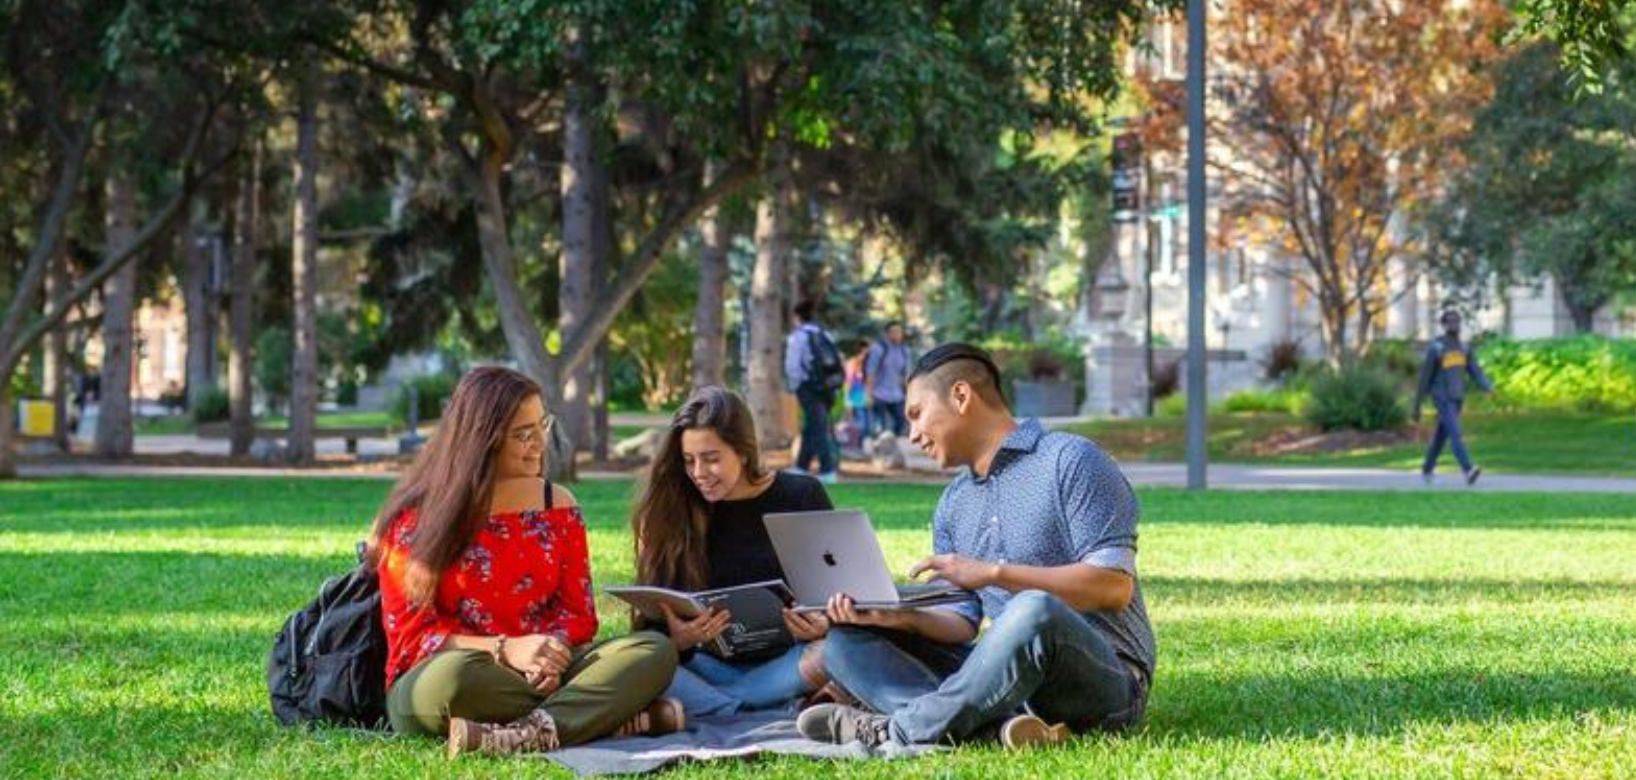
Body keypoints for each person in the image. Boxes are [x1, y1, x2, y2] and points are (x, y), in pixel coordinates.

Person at [796, 343, 1156, 750]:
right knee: (847, 640)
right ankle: (997, 731)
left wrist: (993, 573)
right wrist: (890, 617)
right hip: (1008, 680)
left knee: (1033, 609)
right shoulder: (953, 503)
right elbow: (962, 622)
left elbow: (1112, 588)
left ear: (961, 396)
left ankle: (898, 730)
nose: (913, 435)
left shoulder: (1072, 460)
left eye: (917, 414)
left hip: (1105, 679)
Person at [369, 366, 681, 758]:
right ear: (481, 441)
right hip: (450, 676)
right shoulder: (416, 517)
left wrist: (551, 656)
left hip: (548, 672)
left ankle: (519, 735)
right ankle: (601, 717)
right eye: (522, 434)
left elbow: (578, 615)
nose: (539, 443)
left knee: (654, 651)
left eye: (542, 426)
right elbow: (415, 638)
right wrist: (506, 650)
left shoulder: (559, 506)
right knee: (453, 681)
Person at [630, 385, 836, 716]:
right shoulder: (674, 510)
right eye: (688, 461)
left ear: (742, 451)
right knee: (631, 659)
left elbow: (838, 592)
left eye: (711, 459)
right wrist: (678, 640)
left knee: (838, 652)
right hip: (704, 667)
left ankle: (722, 707)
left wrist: (822, 623)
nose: (699, 474)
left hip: (788, 664)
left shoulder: (801, 496)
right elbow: (649, 629)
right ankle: (765, 708)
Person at [1412, 309, 1494, 486]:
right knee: (1456, 433)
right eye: (1450, 322)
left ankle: (1427, 468)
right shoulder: (1437, 347)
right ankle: (1468, 470)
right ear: (1443, 325)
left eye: (1456, 321)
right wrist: (1417, 405)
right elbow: (1425, 378)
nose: (1454, 325)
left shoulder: (1464, 348)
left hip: (1457, 397)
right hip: (1441, 397)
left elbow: (1475, 371)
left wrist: (1487, 386)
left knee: (1442, 435)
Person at [784, 299, 840, 483]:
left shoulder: (797, 337)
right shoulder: (825, 334)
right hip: (827, 387)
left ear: (797, 317)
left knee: (818, 426)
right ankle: (801, 466)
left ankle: (827, 470)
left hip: (808, 386)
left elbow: (793, 366)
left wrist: (794, 387)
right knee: (813, 424)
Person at [864, 321, 912, 437]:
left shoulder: (904, 351)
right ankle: (881, 448)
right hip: (879, 394)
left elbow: (906, 374)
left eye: (900, 332)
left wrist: (909, 394)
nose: (897, 335)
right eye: (894, 332)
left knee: (900, 422)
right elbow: (870, 373)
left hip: (896, 395)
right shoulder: (879, 349)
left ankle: (891, 443)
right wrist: (869, 394)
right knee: (882, 426)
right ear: (887, 334)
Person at [843, 340, 872, 450]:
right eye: (865, 351)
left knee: (867, 425)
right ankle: (857, 446)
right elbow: (848, 382)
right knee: (862, 424)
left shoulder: (866, 365)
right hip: (855, 397)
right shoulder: (852, 363)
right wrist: (847, 400)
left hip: (864, 397)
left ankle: (861, 446)